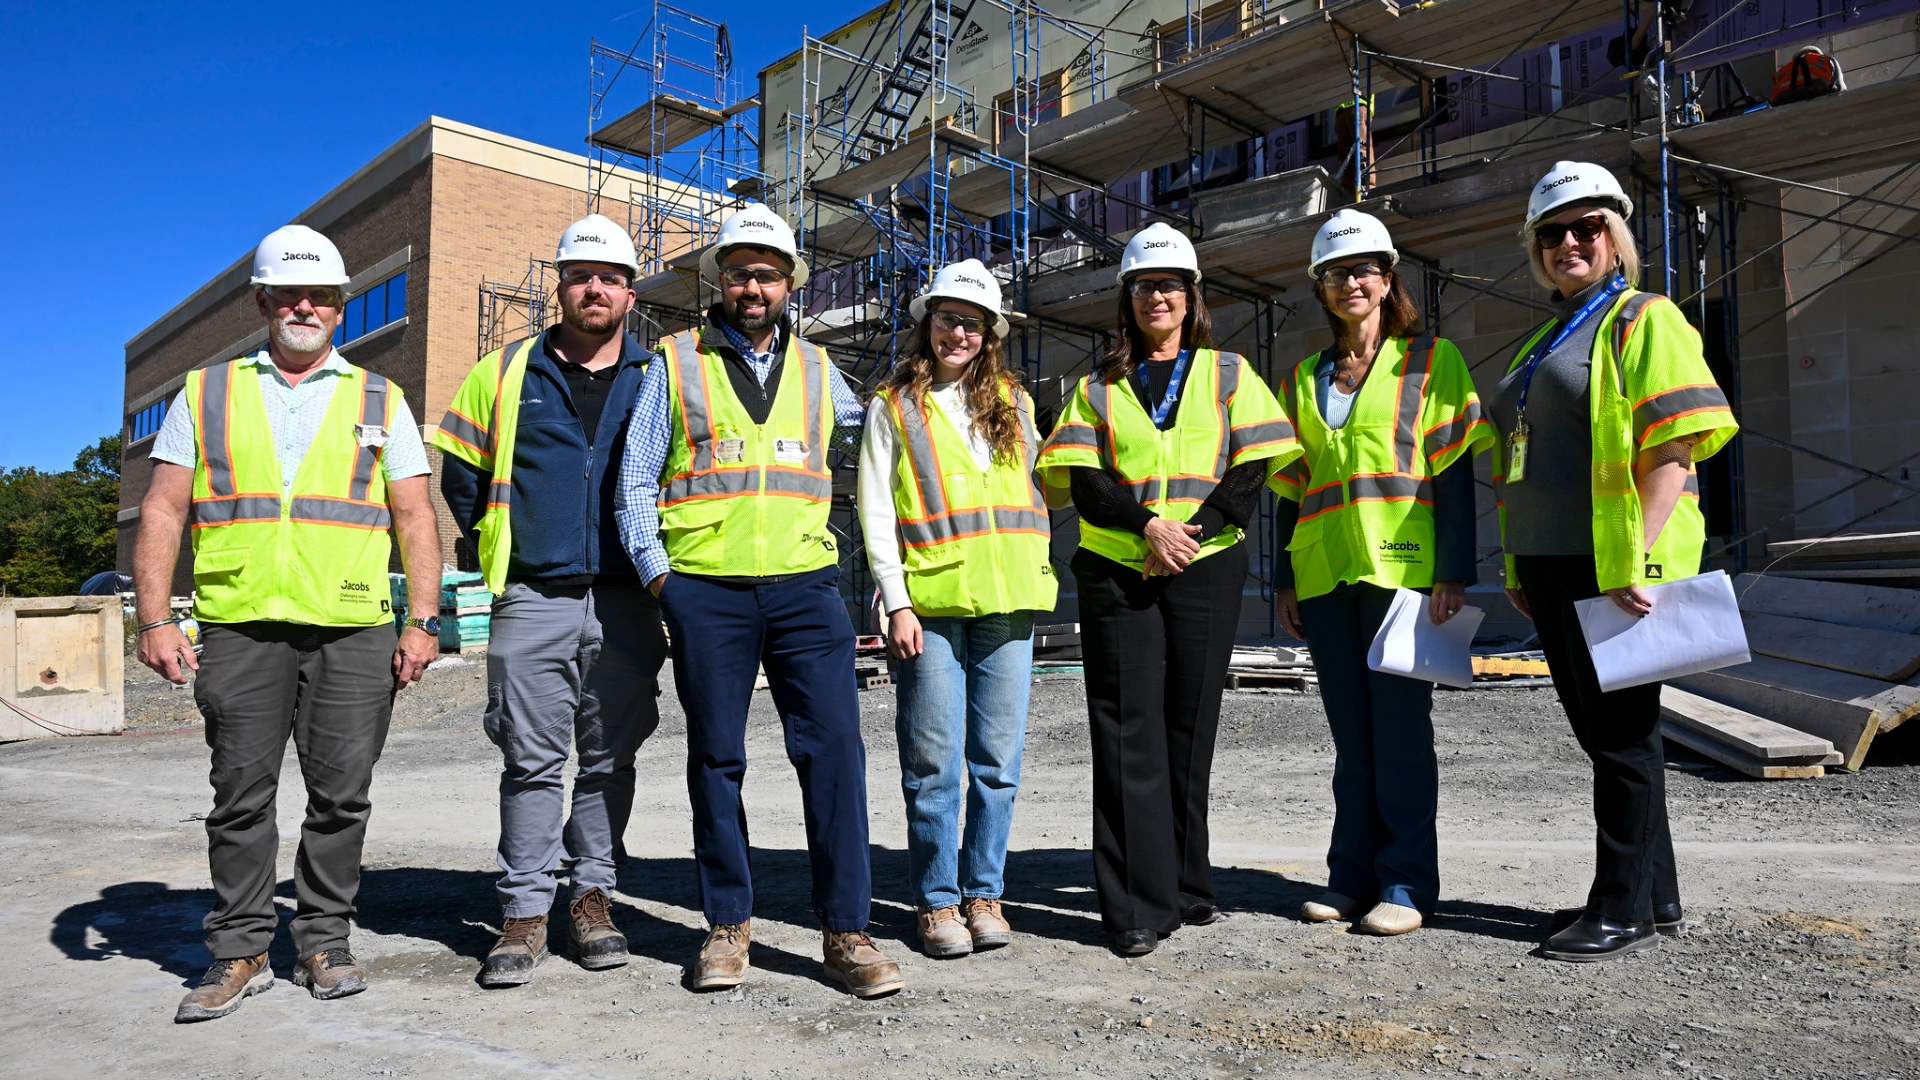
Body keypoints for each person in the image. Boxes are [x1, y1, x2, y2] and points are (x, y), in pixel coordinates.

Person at [133, 225, 441, 1022]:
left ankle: (323, 940)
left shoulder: (381, 398)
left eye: (324, 296)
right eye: (290, 294)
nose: (307, 306)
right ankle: (240, 951)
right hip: (242, 625)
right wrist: (157, 617)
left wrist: (425, 620)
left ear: (340, 308)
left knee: (341, 796)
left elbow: (415, 516)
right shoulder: (204, 394)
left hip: (352, 626)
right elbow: (164, 508)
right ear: (263, 301)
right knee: (240, 794)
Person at [615, 203, 904, 998]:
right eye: (739, 272)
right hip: (706, 590)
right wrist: (659, 577)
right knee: (717, 758)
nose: (752, 286)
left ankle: (846, 931)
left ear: (788, 287)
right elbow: (637, 479)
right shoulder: (675, 363)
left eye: (767, 274)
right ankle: (727, 926)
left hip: (806, 589)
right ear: (721, 280)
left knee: (835, 755)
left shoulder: (819, 370)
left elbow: (878, 440)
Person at [1487, 161, 1737, 962]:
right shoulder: (1547, 336)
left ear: (1616, 237)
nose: (1570, 242)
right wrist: (1520, 566)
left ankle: (1618, 906)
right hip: (1554, 561)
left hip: (1613, 563)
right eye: (1553, 232)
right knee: (1611, 737)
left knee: (1622, 737)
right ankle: (1654, 894)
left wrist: (1635, 555)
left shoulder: (1644, 318)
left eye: (1587, 227)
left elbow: (1675, 442)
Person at [1035, 222, 1302, 957]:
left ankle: (1188, 884)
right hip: (1119, 568)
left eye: (1170, 285)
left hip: (1205, 564)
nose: (1159, 296)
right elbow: (1084, 485)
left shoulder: (1228, 374)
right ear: (1128, 300)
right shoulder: (1095, 387)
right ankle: (1133, 909)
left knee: (1190, 728)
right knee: (1127, 734)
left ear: (1191, 298)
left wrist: (1193, 532)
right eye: (1146, 286)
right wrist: (1153, 528)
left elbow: (1251, 472)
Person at [434, 215, 668, 987]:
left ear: (630, 294)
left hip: (630, 600)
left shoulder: (659, 376)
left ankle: (592, 897)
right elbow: (461, 476)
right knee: (531, 761)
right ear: (559, 287)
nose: (593, 288)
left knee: (609, 759)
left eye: (608, 277)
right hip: (534, 594)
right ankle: (525, 911)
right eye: (579, 275)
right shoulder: (501, 373)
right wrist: (506, 547)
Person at [1269, 209, 1494, 937]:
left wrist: (1454, 571)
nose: (1350, 282)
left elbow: (1455, 472)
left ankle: (1405, 883)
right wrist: (1282, 580)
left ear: (1386, 278)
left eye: (1363, 269)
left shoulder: (1432, 361)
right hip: (1325, 574)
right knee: (1350, 739)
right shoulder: (1303, 378)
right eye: (1336, 273)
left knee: (1399, 735)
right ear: (1321, 287)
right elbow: (1291, 487)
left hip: (1405, 573)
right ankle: (1349, 877)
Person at [858, 260, 1055, 958]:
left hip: (1008, 600)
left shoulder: (1017, 405)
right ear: (927, 325)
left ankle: (984, 894)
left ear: (988, 333)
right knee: (934, 763)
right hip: (932, 604)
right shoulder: (894, 406)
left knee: (997, 763)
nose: (959, 333)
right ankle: (938, 902)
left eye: (971, 323)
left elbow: (1044, 489)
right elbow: (876, 508)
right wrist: (896, 599)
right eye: (947, 319)